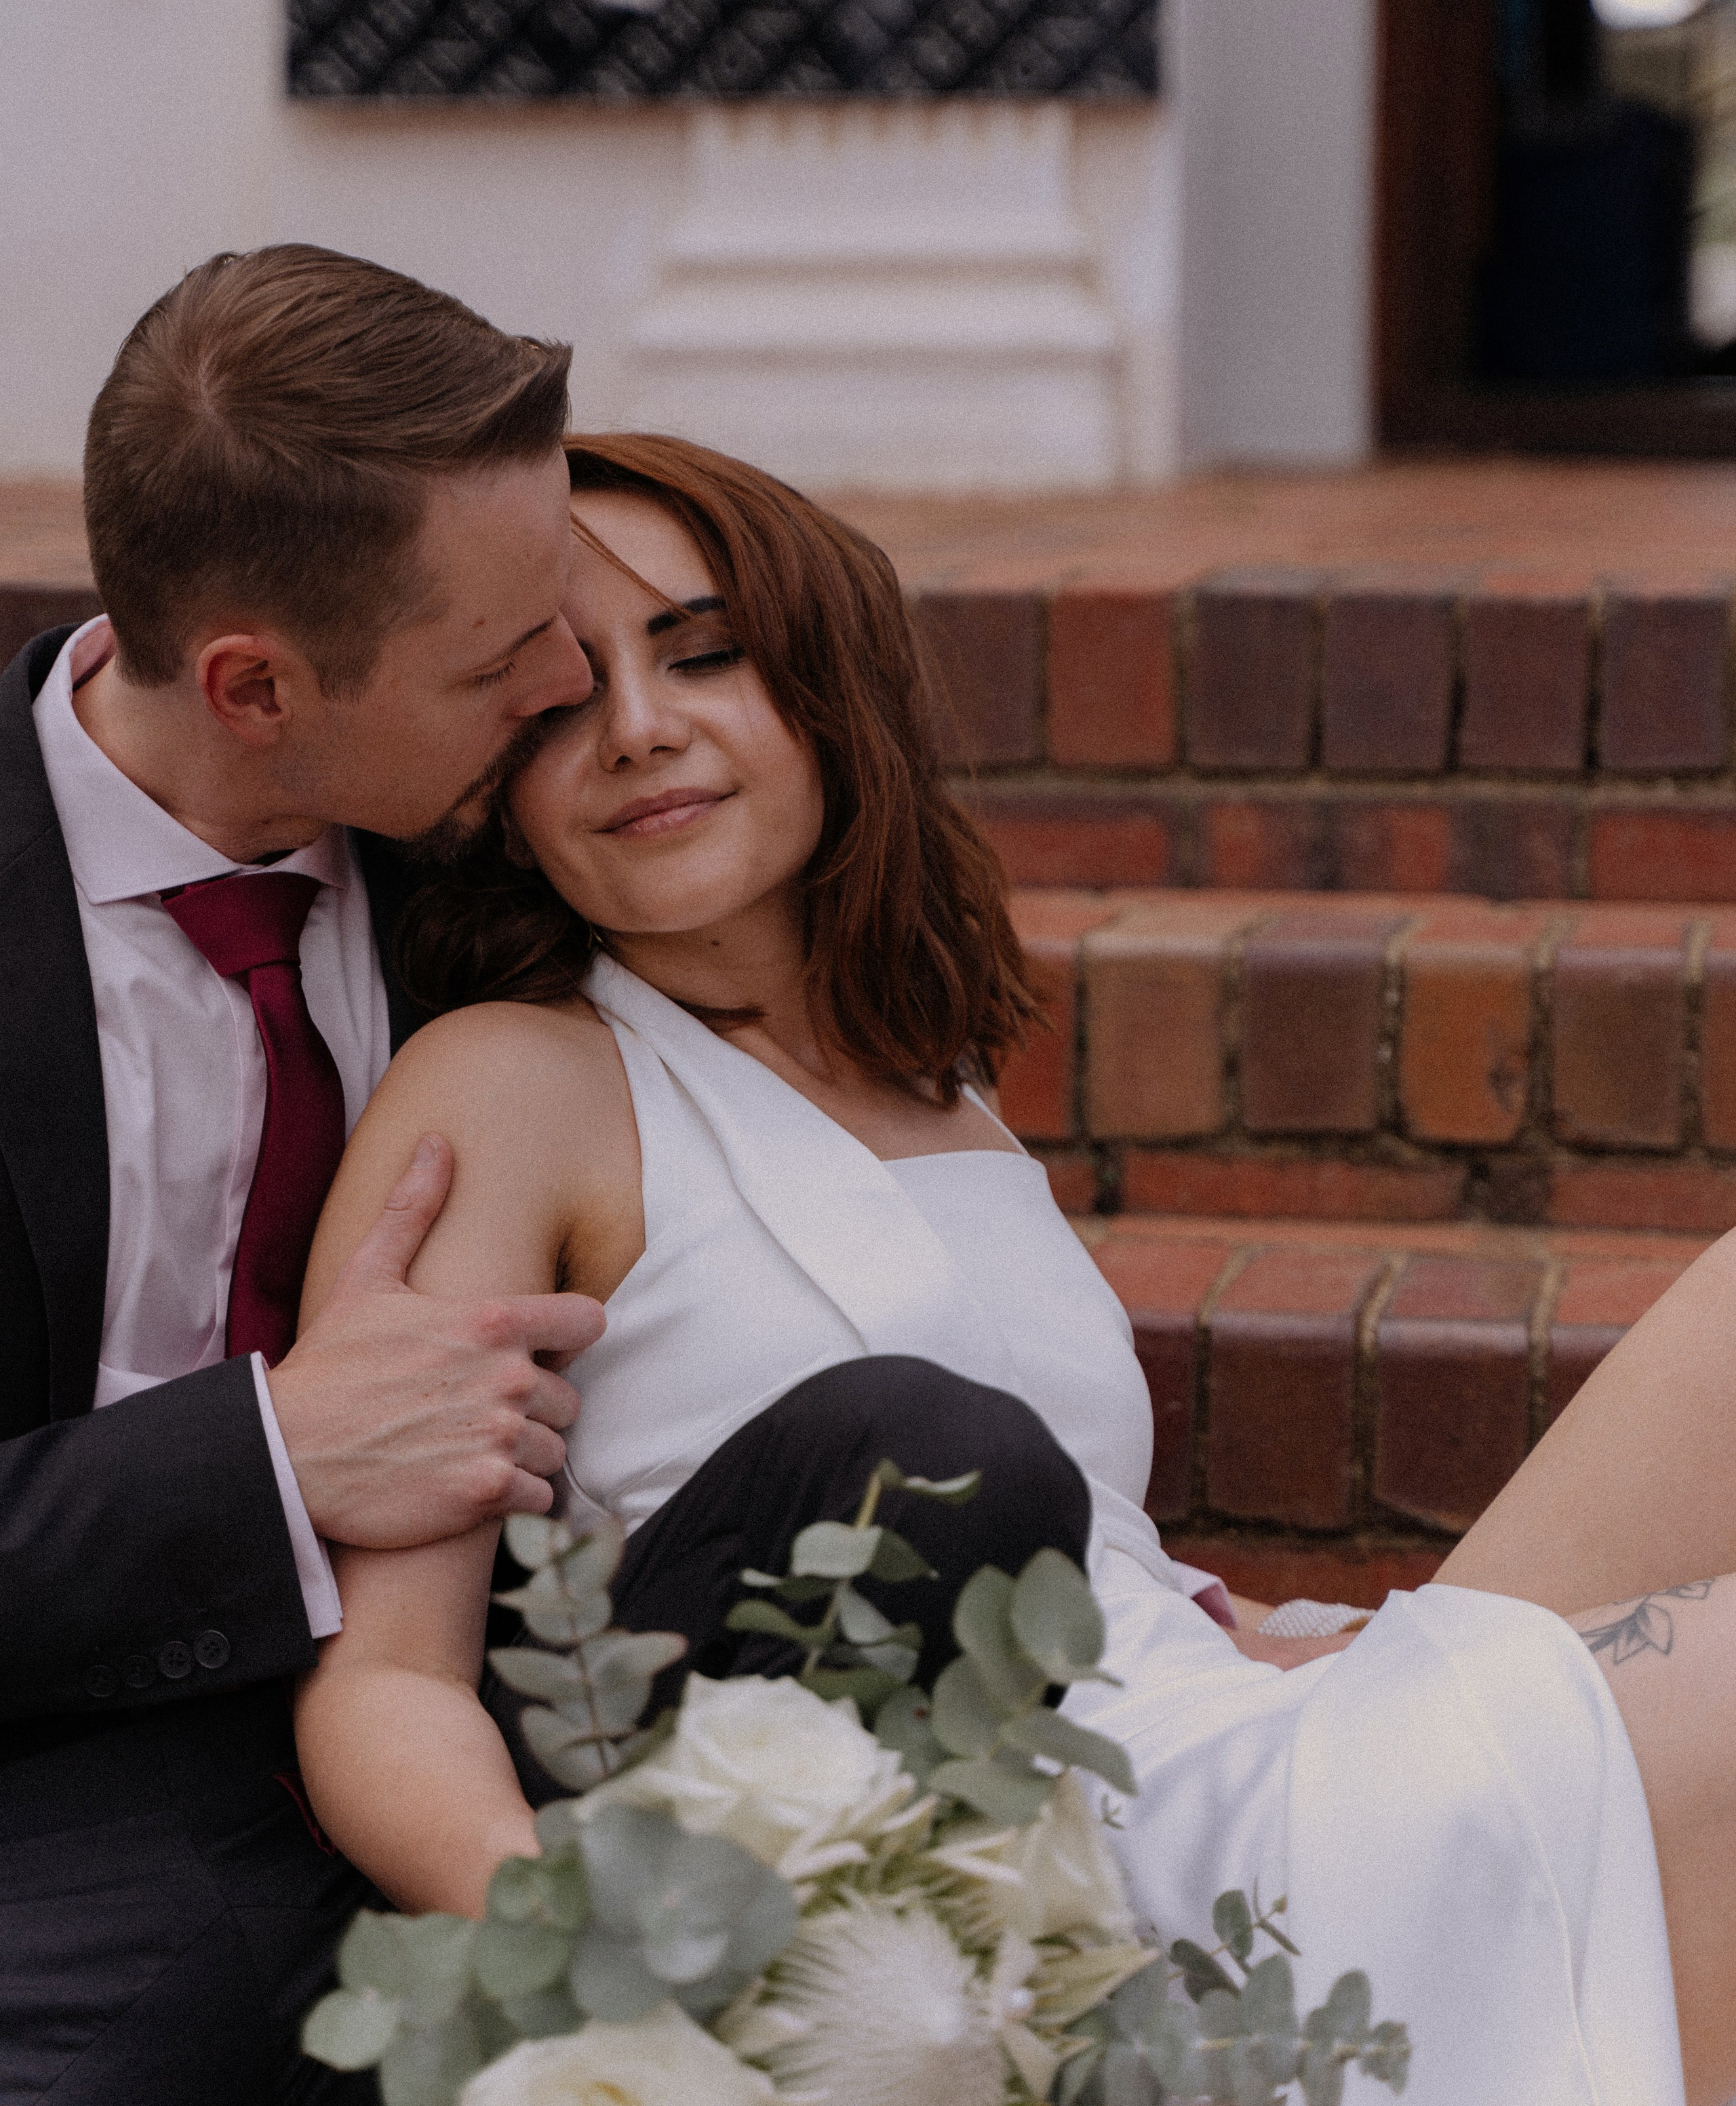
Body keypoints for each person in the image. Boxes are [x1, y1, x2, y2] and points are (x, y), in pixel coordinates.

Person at [295, 436, 1727, 2106]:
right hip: (1033, 1861)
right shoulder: (509, 1079)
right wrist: (595, 1950)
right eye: (555, 705)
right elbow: (382, 1678)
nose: (636, 728)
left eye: (703, 654)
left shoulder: (934, 1090)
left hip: (1210, 1717)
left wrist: (1219, 1605)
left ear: (825, 688)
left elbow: (1066, 1525)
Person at [0, 246, 614, 2106]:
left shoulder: (507, 847)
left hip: (490, 1682)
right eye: (504, 660)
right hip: (65, 1749)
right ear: (256, 686)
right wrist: (269, 1457)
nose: (576, 682)